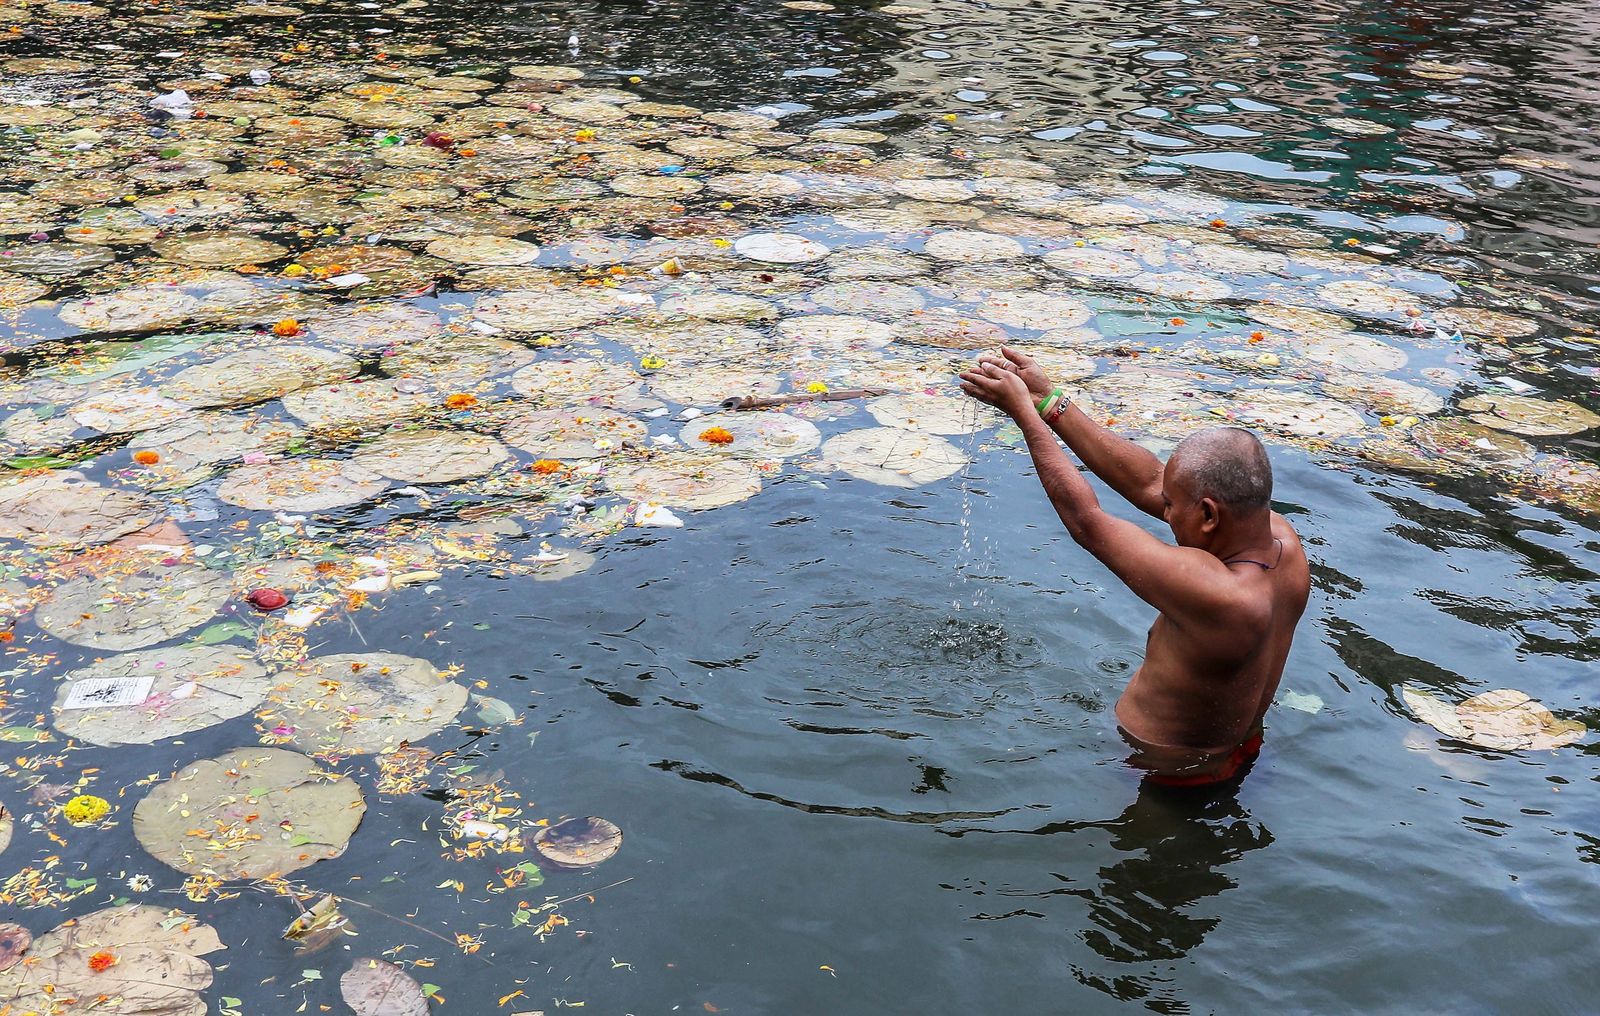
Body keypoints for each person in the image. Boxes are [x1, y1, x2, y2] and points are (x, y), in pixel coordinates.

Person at [959, 348, 1310, 786]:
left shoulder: (1221, 595)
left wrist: (1023, 414)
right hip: (1241, 746)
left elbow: (1088, 523)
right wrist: (1050, 401)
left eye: (1170, 507)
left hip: (1172, 776)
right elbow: (1149, 481)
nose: (1162, 511)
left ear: (1208, 515)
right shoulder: (1283, 542)